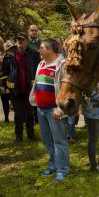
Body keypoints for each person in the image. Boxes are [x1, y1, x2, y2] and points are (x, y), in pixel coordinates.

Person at [30, 38, 69, 181]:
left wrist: (61, 108)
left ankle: (62, 169)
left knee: (59, 141)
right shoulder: (41, 63)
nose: (39, 50)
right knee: (47, 140)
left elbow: (66, 89)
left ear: (50, 49)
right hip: (41, 109)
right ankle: (52, 165)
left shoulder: (62, 65)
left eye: (41, 47)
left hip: (54, 110)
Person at [1, 33, 38, 141]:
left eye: (22, 40)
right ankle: (19, 136)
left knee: (30, 114)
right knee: (18, 114)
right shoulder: (9, 55)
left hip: (29, 88)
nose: (20, 43)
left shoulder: (34, 54)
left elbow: (37, 70)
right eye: (18, 40)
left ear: (27, 42)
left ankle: (31, 135)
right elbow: (3, 72)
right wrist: (6, 84)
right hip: (15, 89)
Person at [82, 85, 99, 172]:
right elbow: (91, 96)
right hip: (93, 113)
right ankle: (93, 165)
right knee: (93, 140)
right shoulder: (91, 80)